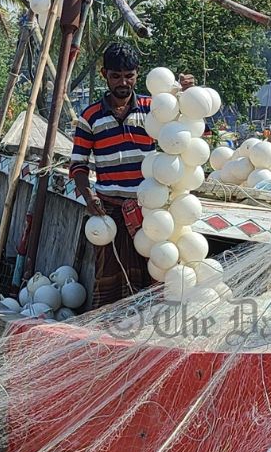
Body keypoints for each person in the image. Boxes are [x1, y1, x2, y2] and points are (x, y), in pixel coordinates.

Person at [69, 42, 193, 306]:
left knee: (154, 268)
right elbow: (78, 164)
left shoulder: (155, 109)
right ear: (105, 75)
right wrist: (89, 196)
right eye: (116, 76)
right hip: (108, 211)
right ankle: (110, 333)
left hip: (150, 208)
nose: (123, 82)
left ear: (138, 74)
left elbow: (190, 136)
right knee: (109, 276)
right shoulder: (90, 117)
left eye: (129, 75)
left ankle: (149, 330)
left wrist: (188, 97)